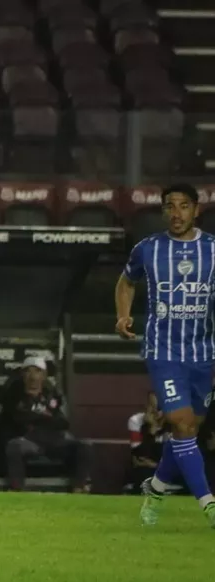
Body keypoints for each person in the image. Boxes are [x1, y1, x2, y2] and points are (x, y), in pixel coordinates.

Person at [115, 182, 215, 526]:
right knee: (181, 422)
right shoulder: (148, 249)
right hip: (163, 351)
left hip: (203, 353)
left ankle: (156, 489)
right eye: (170, 206)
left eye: (184, 206)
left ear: (196, 210)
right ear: (163, 211)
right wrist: (123, 315)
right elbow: (126, 282)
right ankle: (209, 504)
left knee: (188, 432)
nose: (176, 213)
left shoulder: (213, 249)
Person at [1, 357, 91, 492]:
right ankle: (16, 488)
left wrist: (38, 417)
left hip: (53, 440)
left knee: (85, 445)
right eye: (28, 371)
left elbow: (63, 422)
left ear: (44, 376)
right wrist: (46, 417)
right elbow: (19, 418)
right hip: (30, 440)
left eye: (37, 371)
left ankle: (80, 486)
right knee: (14, 446)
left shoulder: (51, 395)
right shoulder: (14, 395)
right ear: (22, 375)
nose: (33, 377)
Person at [127, 391, 167, 489]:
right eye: (152, 406)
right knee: (141, 472)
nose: (155, 411)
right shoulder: (137, 421)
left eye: (158, 407)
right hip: (146, 469)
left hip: (168, 468)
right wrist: (151, 431)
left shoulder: (174, 423)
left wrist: (155, 465)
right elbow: (139, 456)